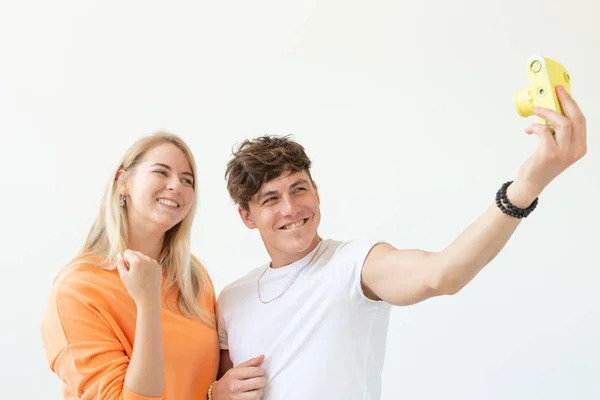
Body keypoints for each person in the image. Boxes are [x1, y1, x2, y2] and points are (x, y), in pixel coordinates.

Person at [212, 85, 587, 399]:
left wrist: (525, 188)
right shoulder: (232, 298)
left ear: (317, 193)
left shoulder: (352, 265)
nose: (291, 208)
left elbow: (441, 275)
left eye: (299, 189)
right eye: (271, 199)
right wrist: (216, 393)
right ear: (247, 216)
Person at [41, 132, 227, 399]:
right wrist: (148, 302)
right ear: (123, 182)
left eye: (188, 180)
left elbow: (204, 385)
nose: (176, 185)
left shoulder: (194, 279)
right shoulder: (77, 290)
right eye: (161, 172)